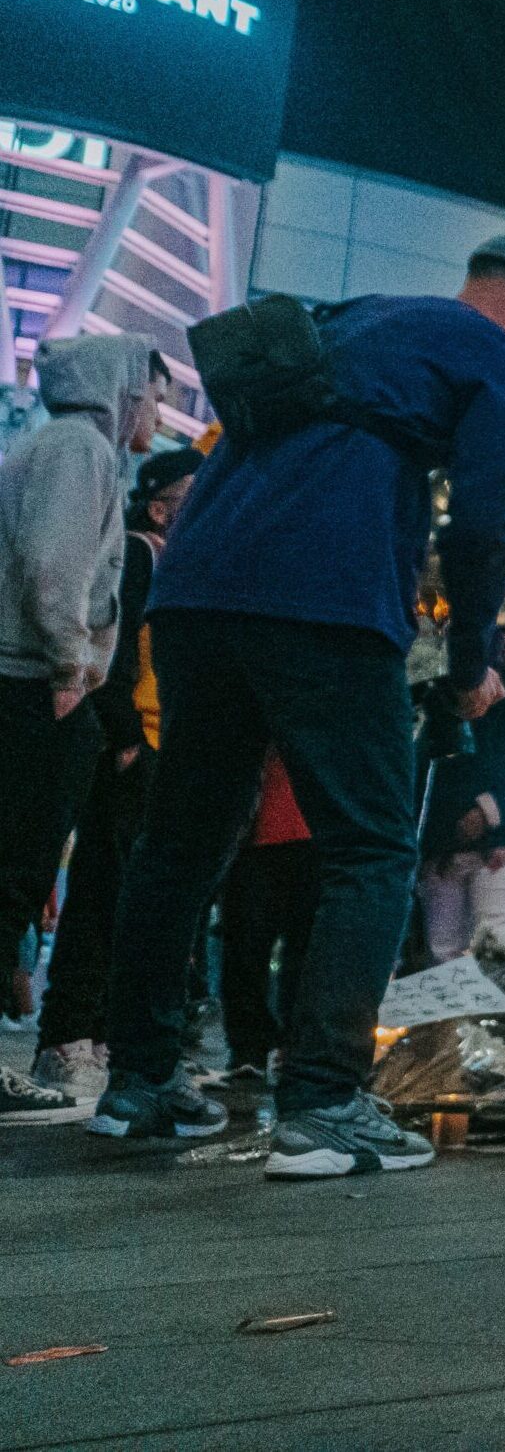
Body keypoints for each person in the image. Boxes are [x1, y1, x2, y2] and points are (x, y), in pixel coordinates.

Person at [92, 232, 505, 1174]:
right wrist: (470, 660)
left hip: (197, 587)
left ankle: (137, 1080)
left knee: (181, 842)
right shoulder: (501, 361)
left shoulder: (360, 319)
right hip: (326, 594)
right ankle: (323, 1102)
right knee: (373, 845)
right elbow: (481, 526)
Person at [0, 335, 165, 1125]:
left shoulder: (57, 444)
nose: (156, 411)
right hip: (34, 684)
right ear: (121, 389)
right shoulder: (81, 449)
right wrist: (72, 665)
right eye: (152, 393)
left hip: (29, 679)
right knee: (15, 870)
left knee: (16, 872)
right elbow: (52, 565)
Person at [29, 446, 202, 1106]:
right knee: (103, 891)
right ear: (158, 506)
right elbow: (116, 641)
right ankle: (67, 1038)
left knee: (130, 896)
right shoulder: (138, 553)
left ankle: (99, 1035)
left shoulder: (174, 562)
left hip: (156, 746)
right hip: (135, 745)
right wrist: (127, 734)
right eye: (190, 496)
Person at [416, 622, 505, 961]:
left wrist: (488, 812)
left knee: (493, 948)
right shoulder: (448, 707)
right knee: (443, 952)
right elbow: (434, 767)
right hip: (446, 846)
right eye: (503, 645)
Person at [216, 752, 322, 1085]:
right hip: (258, 832)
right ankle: (251, 1049)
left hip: (305, 832)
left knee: (298, 951)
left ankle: (281, 1047)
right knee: (247, 945)